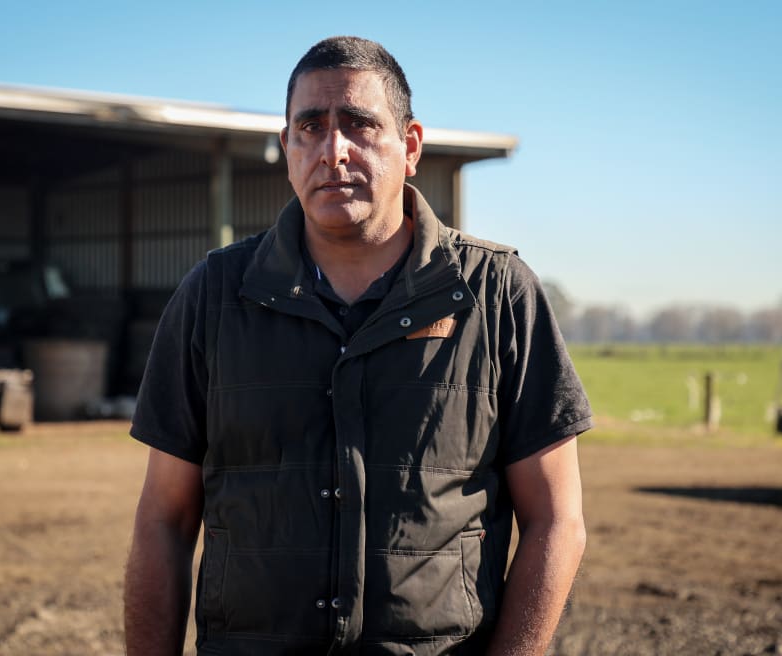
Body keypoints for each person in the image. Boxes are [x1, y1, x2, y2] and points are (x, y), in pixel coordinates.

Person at [124, 36, 592, 656]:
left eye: (360, 125)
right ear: (287, 147)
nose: (333, 150)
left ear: (411, 147)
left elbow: (556, 520)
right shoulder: (214, 296)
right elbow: (164, 519)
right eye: (310, 127)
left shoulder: (495, 294)